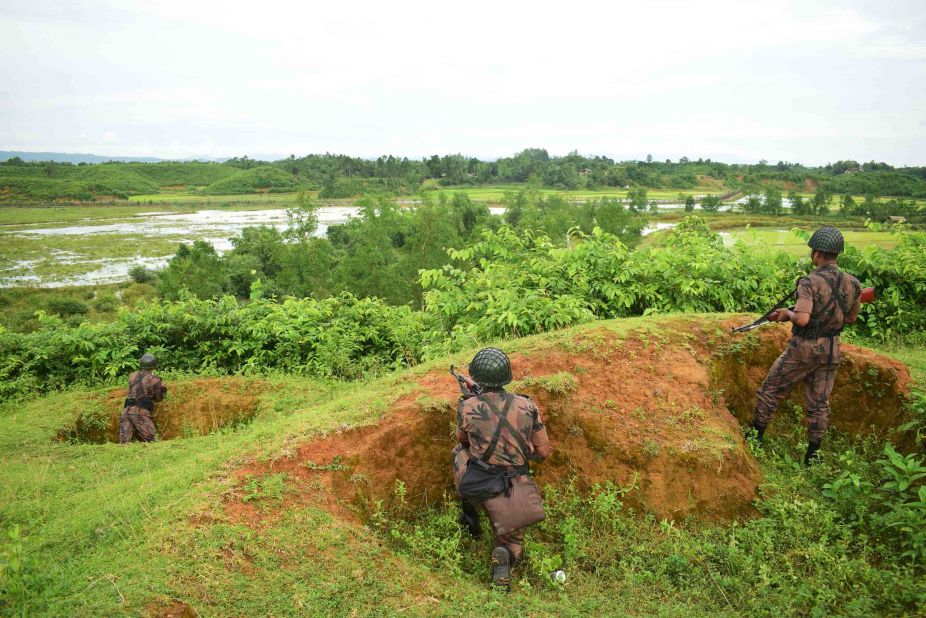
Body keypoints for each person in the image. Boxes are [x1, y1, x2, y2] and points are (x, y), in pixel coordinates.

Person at [748, 226, 861, 465]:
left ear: (817, 254)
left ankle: (754, 439)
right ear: (836, 254)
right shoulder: (853, 283)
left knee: (770, 389)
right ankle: (813, 457)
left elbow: (802, 319)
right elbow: (851, 318)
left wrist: (787, 313)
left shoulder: (809, 282)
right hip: (831, 351)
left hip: (803, 349)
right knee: (819, 404)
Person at [451, 347, 553, 590]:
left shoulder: (466, 407)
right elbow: (543, 452)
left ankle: (469, 513)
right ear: (507, 377)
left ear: (476, 378)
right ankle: (505, 556)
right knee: (512, 540)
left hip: (480, 480)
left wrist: (470, 399)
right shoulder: (527, 406)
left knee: (458, 454)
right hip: (515, 484)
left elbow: (461, 440)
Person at [119, 353, 167, 444]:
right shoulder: (155, 380)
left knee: (124, 443)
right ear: (154, 366)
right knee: (153, 441)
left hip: (125, 412)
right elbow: (158, 399)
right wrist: (162, 389)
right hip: (140, 414)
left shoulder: (132, 376)